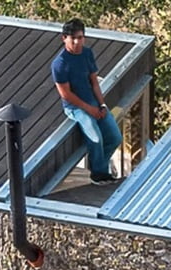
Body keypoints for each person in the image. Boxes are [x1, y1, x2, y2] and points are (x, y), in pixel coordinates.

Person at [51, 18, 122, 185]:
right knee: (95, 137)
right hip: (75, 108)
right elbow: (66, 94)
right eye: (73, 38)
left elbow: (94, 81)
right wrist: (89, 110)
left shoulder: (87, 53)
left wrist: (102, 105)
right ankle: (99, 174)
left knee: (115, 137)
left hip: (94, 102)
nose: (77, 41)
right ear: (64, 38)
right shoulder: (59, 64)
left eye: (80, 37)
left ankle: (98, 166)